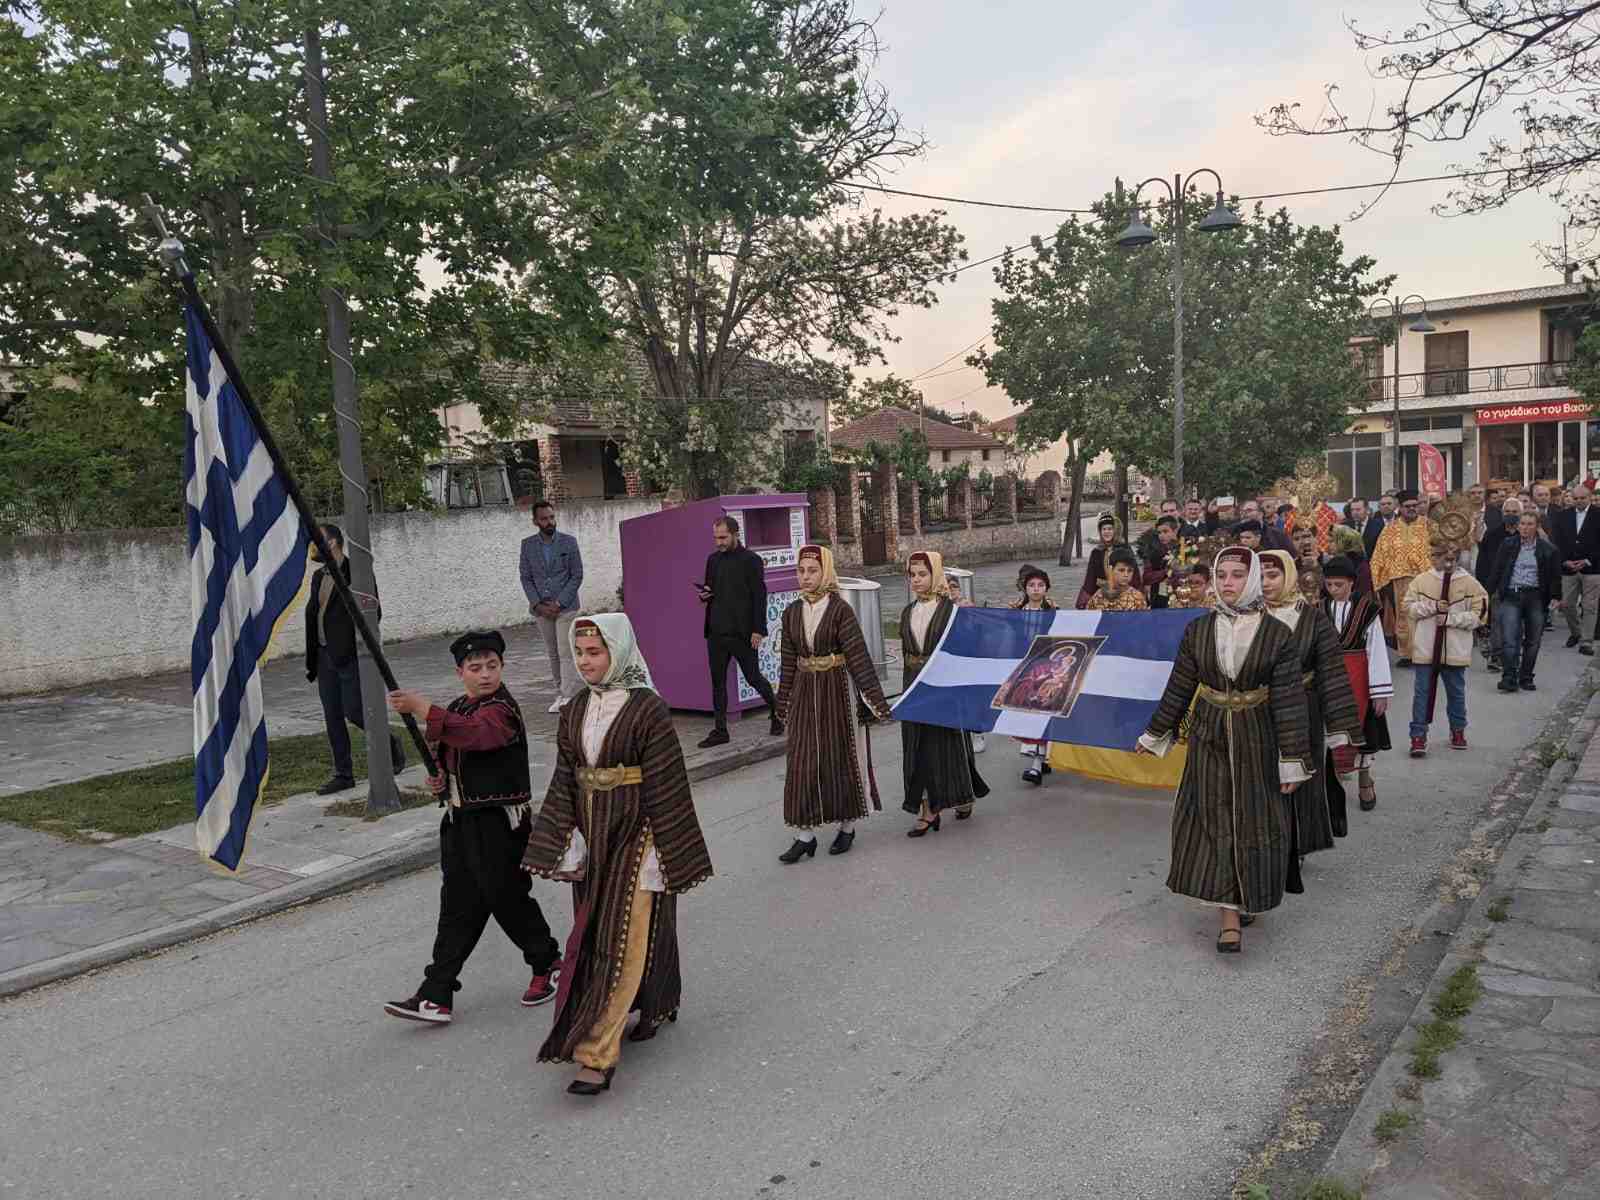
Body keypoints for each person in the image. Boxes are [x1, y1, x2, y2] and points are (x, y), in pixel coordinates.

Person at [521, 615, 713, 1096]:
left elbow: (668, 787)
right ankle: (656, 1000)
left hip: (638, 834)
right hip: (594, 836)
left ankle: (596, 1053)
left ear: (619, 651)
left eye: (595, 652)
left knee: (620, 936)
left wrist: (662, 851)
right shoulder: (574, 709)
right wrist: (568, 839)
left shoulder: (649, 710)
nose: (586, 662)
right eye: (580, 653)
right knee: (598, 932)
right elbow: (566, 778)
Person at [1136, 547, 1312, 954]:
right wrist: (1155, 733)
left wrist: (1292, 760)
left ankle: (1248, 891)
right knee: (1215, 819)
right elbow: (1180, 686)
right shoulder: (1198, 630)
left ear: (1249, 581)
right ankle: (1228, 916)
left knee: (1252, 821)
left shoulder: (1277, 635)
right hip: (1210, 733)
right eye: (1223, 575)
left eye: (1237, 575)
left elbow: (1288, 701)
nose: (1228, 583)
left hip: (1258, 735)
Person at [382, 630, 559, 1026]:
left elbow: (480, 736)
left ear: (502, 668)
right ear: (459, 671)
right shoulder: (461, 705)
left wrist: (425, 709)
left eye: (491, 666)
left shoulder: (502, 709)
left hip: (497, 823)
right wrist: (440, 778)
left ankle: (548, 963)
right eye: (475, 667)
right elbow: (450, 750)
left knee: (507, 899)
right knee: (458, 907)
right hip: (461, 822)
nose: (484, 674)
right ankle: (436, 993)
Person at [775, 545, 893, 861]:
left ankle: (847, 827)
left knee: (838, 757)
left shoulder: (841, 610)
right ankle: (805, 834)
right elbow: (787, 662)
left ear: (825, 572)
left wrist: (876, 702)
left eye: (812, 571)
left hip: (837, 690)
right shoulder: (791, 613)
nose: (805, 577)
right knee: (801, 760)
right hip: (803, 690)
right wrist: (782, 702)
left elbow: (858, 657)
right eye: (801, 571)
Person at [1259, 550, 1362, 849]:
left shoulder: (1312, 619)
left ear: (1289, 575)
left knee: (1301, 774)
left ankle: (1298, 843)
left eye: (1273, 575)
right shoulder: (1246, 615)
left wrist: (1340, 727)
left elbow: (1331, 672)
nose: (1265, 583)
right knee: (1263, 776)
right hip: (1258, 710)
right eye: (1260, 576)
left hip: (1304, 709)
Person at [305, 523, 405, 795]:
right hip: (323, 656)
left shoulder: (356, 571)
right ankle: (343, 773)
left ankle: (390, 743)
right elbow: (315, 615)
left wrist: (354, 646)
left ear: (334, 542)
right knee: (332, 716)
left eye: (319, 539)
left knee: (354, 711)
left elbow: (374, 613)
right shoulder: (318, 577)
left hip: (348, 655)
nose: (313, 546)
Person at [899, 551, 990, 827]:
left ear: (935, 575)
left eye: (922, 574)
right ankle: (927, 806)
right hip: (914, 684)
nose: (916, 580)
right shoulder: (907, 612)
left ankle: (961, 795)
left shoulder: (950, 612)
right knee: (918, 745)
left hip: (944, 686)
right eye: (912, 575)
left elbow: (963, 650)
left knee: (947, 743)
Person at [696, 515, 781, 748]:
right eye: (716, 538)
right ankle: (720, 730)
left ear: (735, 534)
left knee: (754, 678)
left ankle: (777, 713)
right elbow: (710, 590)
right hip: (715, 631)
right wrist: (704, 595)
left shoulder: (751, 560)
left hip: (742, 633)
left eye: (723, 537)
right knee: (717, 683)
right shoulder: (712, 560)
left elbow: (759, 597)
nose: (719, 542)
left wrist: (758, 630)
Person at [1403, 539, 1489, 756]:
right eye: (1434, 555)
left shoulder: (1470, 583)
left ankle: (1458, 729)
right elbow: (1408, 608)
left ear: (1454, 556)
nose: (1437, 559)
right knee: (1422, 693)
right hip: (1426, 648)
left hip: (1455, 649)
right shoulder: (1422, 581)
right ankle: (1418, 735)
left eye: (1441, 555)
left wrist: (1451, 619)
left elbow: (1481, 614)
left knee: (1456, 693)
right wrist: (1431, 607)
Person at [1322, 555, 1392, 812]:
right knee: (1331, 731)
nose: (1333, 590)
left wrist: (1380, 691)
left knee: (1363, 731)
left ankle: (1364, 779)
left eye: (1338, 585)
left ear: (1351, 583)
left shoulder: (1367, 609)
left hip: (1360, 677)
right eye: (1329, 585)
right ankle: (1335, 783)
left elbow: (1377, 651)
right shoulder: (1318, 609)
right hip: (1329, 678)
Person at [519, 500, 585, 714]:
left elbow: (577, 575)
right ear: (535, 521)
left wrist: (559, 602)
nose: (550, 522)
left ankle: (568, 696)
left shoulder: (569, 542)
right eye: (544, 519)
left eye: (552, 517)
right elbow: (526, 578)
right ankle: (561, 693)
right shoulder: (527, 545)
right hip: (541, 608)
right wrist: (538, 604)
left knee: (566, 651)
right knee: (553, 652)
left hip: (565, 607)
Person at [1489, 509, 1560, 693]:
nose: (1525, 528)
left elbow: (1554, 577)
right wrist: (1488, 592)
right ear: (1518, 525)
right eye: (1522, 524)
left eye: (1530, 524)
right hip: (1512, 594)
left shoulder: (1548, 549)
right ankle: (1509, 677)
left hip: (1536, 596)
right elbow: (1497, 569)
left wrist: (1556, 597)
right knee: (1509, 638)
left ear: (1537, 526)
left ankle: (1526, 676)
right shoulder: (1508, 544)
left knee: (1533, 640)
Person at [1370, 489, 1433, 664]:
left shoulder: (1429, 525)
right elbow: (1378, 555)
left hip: (1425, 579)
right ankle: (1406, 653)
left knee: (1424, 616)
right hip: (1398, 580)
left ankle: (1425, 652)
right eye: (1407, 506)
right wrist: (1377, 581)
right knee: (1404, 617)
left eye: (1415, 505)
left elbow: (1440, 549)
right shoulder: (1389, 529)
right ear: (1400, 507)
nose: (1412, 509)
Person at [1010, 564, 1057, 785]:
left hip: (1046, 669)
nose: (1036, 589)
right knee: (1029, 712)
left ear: (1046, 589)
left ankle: (1038, 763)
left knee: (1044, 711)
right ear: (1025, 588)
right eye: (1032, 585)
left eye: (1040, 585)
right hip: (1025, 668)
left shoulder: (1054, 613)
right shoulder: (1016, 613)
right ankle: (1040, 758)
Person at [1551, 484, 1600, 655]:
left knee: (1590, 606)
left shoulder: (1597, 514)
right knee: (1567, 605)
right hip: (1568, 567)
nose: (1579, 501)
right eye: (1576, 498)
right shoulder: (1563, 516)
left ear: (1589, 497)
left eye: (1583, 498)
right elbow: (1556, 540)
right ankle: (1576, 633)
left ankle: (1587, 642)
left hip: (1593, 568)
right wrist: (1565, 560)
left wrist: (1587, 560)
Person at [1477, 496, 1522, 673]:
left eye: (1514, 512)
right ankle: (1496, 656)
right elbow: (1483, 561)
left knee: (1516, 623)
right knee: (1497, 622)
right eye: (1507, 512)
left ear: (1521, 513)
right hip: (1497, 586)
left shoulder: (1527, 534)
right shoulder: (1493, 534)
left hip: (1520, 586)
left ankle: (1512, 656)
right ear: (1502, 513)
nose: (1511, 515)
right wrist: (1485, 586)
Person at [1075, 513, 1127, 608]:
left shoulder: (1124, 550)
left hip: (1123, 595)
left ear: (1115, 530)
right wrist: (1084, 598)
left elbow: (1133, 573)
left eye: (1110, 529)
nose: (1106, 532)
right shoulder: (1096, 552)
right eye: (1104, 529)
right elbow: (1090, 578)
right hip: (1102, 596)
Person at [1141, 516, 1180, 608]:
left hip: (1181, 596)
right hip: (1160, 598)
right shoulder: (1153, 553)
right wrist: (1166, 572)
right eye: (1159, 532)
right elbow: (1146, 577)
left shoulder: (1186, 549)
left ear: (1175, 531)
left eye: (1165, 531)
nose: (1161, 535)